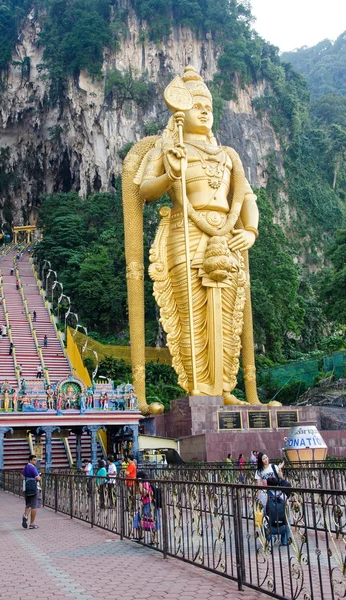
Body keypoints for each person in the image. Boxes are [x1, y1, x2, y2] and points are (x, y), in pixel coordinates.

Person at [124, 65, 268, 409]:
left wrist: (249, 230)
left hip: (229, 236)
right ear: (179, 111)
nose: (205, 112)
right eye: (197, 106)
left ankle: (227, 388)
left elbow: (246, 198)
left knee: (230, 313)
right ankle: (198, 389)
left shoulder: (229, 155)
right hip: (184, 233)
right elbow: (143, 189)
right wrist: (170, 173)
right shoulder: (169, 146)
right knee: (191, 314)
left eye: (209, 107)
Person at [265, 477, 290, 546]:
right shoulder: (283, 495)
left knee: (260, 519)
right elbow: (288, 511)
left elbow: (262, 511)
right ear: (277, 485)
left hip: (270, 527)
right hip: (283, 526)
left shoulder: (264, 495)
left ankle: (270, 537)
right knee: (288, 519)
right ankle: (285, 540)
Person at [21, 454, 41, 529]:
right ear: (30, 460)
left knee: (28, 504)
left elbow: (22, 477)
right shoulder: (33, 468)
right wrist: (40, 477)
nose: (35, 461)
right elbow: (38, 478)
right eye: (34, 460)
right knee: (34, 505)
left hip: (26, 489)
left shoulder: (25, 467)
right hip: (34, 489)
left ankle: (25, 516)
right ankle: (32, 524)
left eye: (36, 460)